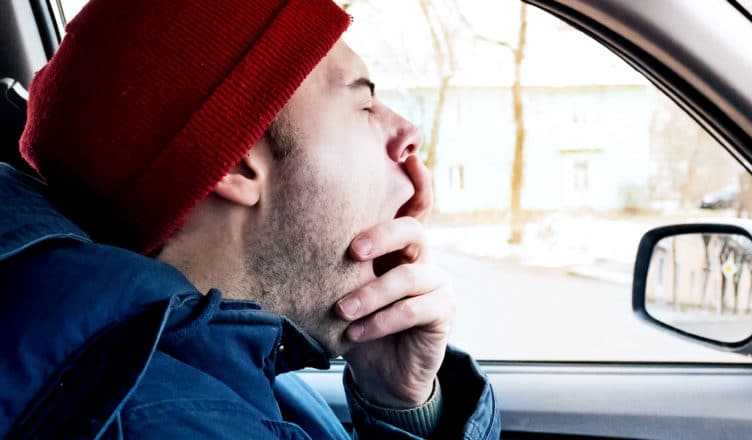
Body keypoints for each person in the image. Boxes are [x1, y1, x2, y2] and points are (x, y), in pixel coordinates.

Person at [0, 0, 500, 438]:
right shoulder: (173, 422)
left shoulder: (235, 371)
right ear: (237, 161)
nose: (409, 134)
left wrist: (401, 405)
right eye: (364, 103)